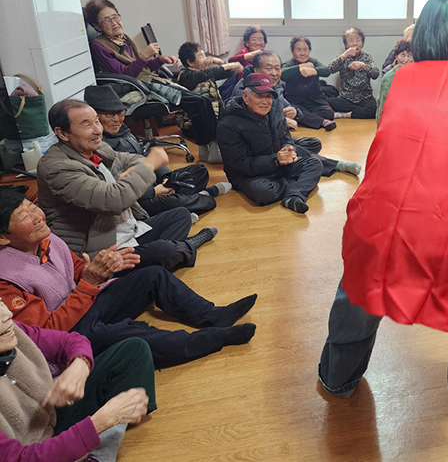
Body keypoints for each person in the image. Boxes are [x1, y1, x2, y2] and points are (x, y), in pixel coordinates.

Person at [318, 0, 448, 431]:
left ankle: (337, 378)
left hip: (378, 218)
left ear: (422, 34)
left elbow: (389, 127)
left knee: (358, 295)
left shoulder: (394, 78)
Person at [0, 189, 257, 368]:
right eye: (24, 216)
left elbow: (77, 270)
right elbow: (47, 331)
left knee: (153, 275)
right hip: (69, 334)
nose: (38, 216)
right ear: (2, 237)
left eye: (33, 207)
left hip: (85, 303)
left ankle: (214, 316)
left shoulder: (47, 239)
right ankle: (212, 339)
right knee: (131, 335)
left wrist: (103, 268)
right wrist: (89, 284)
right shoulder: (5, 281)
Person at [36, 100, 217, 270]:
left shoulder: (96, 148)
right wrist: (148, 166)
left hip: (129, 228)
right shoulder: (57, 168)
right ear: (62, 133)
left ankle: (169, 254)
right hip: (102, 248)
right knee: (166, 251)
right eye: (87, 125)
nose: (97, 130)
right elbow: (113, 200)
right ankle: (180, 249)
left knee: (180, 215)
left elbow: (131, 159)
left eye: (97, 121)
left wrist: (138, 170)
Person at [0, 296, 155, 462]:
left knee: (134, 350)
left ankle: (99, 440)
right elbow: (21, 458)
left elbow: (71, 340)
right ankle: (98, 454)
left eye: (1, 302)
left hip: (50, 419)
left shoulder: (14, 330)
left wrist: (80, 365)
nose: (7, 314)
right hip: (34, 452)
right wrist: (101, 422)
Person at [83, 0, 221, 164]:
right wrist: (143, 56)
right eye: (106, 20)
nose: (114, 22)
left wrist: (160, 60)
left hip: (147, 82)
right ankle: (208, 149)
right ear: (97, 26)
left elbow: (142, 67)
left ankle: (209, 149)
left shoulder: (124, 39)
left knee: (203, 101)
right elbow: (125, 74)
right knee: (198, 102)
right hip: (134, 88)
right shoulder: (99, 46)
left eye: (115, 17)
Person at [217, 74, 361, 214]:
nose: (265, 101)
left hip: (279, 164)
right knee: (263, 193)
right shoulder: (228, 124)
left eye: (268, 96)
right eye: (259, 96)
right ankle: (298, 183)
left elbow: (285, 137)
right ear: (245, 97)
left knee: (314, 164)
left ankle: (294, 196)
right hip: (250, 175)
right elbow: (239, 164)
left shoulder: (275, 109)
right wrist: (276, 159)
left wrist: (287, 149)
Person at [84, 85, 231, 219]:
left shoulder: (123, 130)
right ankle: (201, 197)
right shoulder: (98, 145)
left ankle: (182, 208)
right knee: (208, 202)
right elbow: (117, 183)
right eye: (109, 115)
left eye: (120, 113)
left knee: (199, 171)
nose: (117, 119)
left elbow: (143, 155)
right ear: (95, 117)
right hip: (138, 197)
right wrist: (154, 192)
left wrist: (166, 178)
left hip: (152, 181)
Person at [176, 42, 244, 163]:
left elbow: (228, 72)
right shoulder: (186, 76)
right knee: (204, 106)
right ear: (190, 62)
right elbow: (204, 74)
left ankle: (208, 152)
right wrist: (227, 65)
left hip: (210, 123)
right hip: (192, 126)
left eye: (204, 55)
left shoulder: (203, 71)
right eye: (201, 56)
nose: (205, 59)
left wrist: (218, 61)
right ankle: (214, 151)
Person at [280, 36, 336, 131]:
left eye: (305, 50)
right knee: (296, 111)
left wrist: (315, 70)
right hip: (296, 102)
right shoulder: (288, 64)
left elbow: (327, 71)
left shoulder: (314, 62)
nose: (302, 53)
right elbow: (282, 74)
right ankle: (323, 122)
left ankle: (304, 119)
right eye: (299, 50)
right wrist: (300, 67)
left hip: (315, 101)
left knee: (329, 113)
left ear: (309, 51)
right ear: (293, 52)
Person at [328, 28, 380, 119]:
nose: (355, 43)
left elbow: (376, 74)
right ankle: (361, 112)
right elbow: (330, 70)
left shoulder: (367, 57)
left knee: (373, 108)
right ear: (346, 44)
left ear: (362, 43)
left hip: (365, 97)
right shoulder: (342, 56)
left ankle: (347, 114)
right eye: (351, 40)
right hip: (346, 98)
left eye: (358, 40)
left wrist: (363, 66)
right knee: (333, 103)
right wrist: (343, 56)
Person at [221, 25, 268, 100]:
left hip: (264, 87)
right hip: (244, 88)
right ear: (247, 43)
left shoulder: (267, 55)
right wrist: (249, 55)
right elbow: (231, 61)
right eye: (254, 39)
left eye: (260, 39)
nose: (258, 42)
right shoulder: (244, 53)